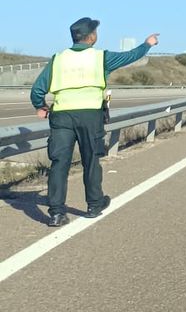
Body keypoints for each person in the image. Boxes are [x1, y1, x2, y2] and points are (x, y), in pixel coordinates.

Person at [30, 18, 158, 227]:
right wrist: (147, 44)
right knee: (90, 160)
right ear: (91, 36)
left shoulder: (58, 59)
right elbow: (130, 56)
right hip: (90, 116)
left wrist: (41, 106)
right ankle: (94, 205)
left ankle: (56, 213)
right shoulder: (100, 57)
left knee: (59, 164)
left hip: (62, 116)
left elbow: (37, 90)